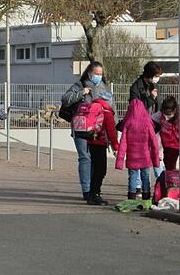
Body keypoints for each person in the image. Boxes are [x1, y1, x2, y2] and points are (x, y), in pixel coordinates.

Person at [61, 61, 109, 201]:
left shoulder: (104, 88)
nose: (99, 76)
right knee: (85, 158)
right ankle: (86, 190)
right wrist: (81, 93)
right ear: (89, 73)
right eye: (96, 74)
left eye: (101, 74)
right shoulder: (79, 85)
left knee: (97, 161)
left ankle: (94, 189)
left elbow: (110, 108)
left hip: (98, 129)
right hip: (81, 128)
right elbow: (65, 99)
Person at [126, 61, 163, 197]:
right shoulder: (137, 86)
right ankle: (137, 187)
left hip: (153, 123)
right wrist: (151, 98)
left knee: (156, 153)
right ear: (149, 75)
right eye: (156, 75)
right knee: (140, 155)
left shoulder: (154, 86)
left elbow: (157, 105)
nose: (157, 78)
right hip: (140, 124)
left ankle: (160, 181)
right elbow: (136, 106)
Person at [115, 99, 160, 200]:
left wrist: (119, 162)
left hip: (132, 157)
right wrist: (156, 161)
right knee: (145, 177)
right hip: (145, 156)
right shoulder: (148, 123)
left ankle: (131, 197)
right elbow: (154, 143)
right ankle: (146, 196)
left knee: (132, 177)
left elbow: (123, 144)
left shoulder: (128, 124)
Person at [85, 91, 119, 206]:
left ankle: (91, 193)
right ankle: (95, 194)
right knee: (101, 170)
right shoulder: (106, 112)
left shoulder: (93, 107)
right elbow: (111, 132)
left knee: (95, 169)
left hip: (91, 141)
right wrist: (115, 146)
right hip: (100, 142)